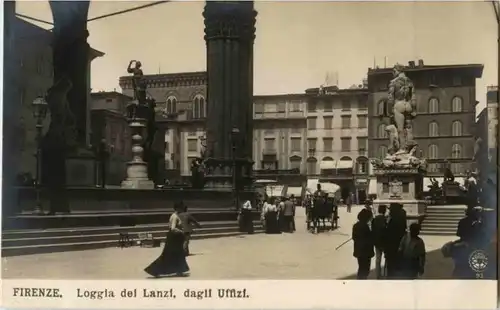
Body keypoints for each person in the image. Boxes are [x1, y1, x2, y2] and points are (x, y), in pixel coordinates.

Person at [144, 202, 189, 277]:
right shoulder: (175, 216)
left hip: (175, 238)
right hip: (173, 238)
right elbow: (173, 228)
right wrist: (182, 232)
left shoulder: (176, 215)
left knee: (177, 254)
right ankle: (154, 270)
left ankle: (179, 270)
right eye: (181, 208)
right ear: (178, 208)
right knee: (170, 255)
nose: (183, 209)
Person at [385, 203, 407, 278]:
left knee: (392, 267)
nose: (389, 211)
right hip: (398, 246)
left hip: (392, 247)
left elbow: (388, 233)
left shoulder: (393, 220)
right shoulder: (400, 217)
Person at [352, 209, 375, 279]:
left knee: (361, 267)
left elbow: (354, 237)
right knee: (365, 269)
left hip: (358, 250)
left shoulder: (356, 225)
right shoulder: (365, 227)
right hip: (366, 252)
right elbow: (369, 239)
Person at [372, 205, 388, 279]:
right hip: (384, 241)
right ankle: (386, 273)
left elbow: (373, 230)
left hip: (376, 241)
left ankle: (378, 275)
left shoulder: (375, 219)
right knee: (387, 258)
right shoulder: (384, 219)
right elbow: (385, 230)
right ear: (384, 211)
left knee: (378, 259)